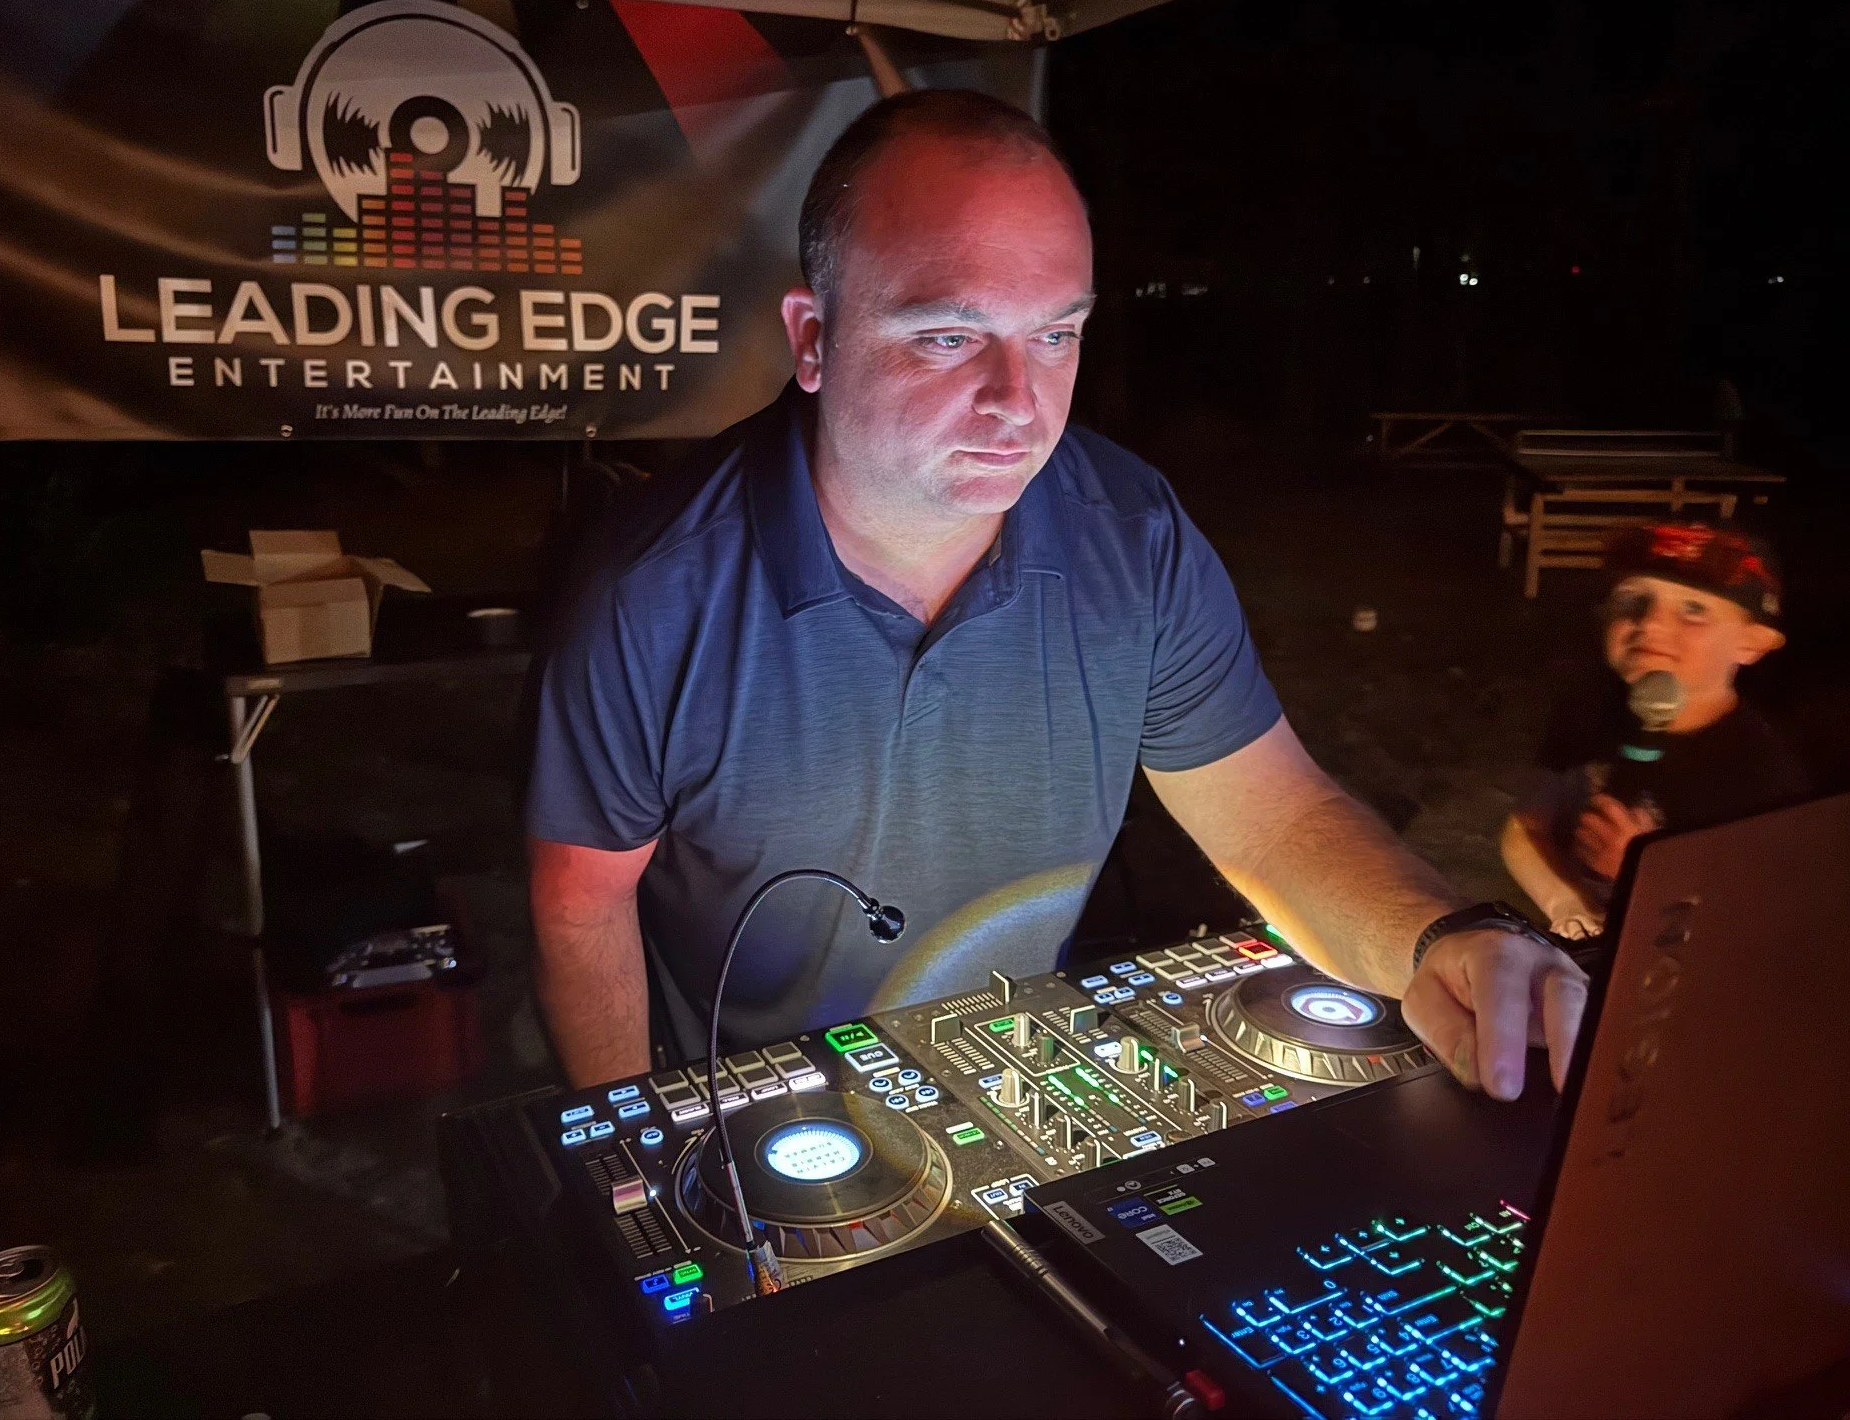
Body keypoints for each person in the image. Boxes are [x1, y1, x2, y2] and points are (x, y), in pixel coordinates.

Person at [527, 89, 1585, 1102]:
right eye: (948, 336)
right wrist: (644, 1156)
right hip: (750, 1099)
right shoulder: (651, 592)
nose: (1018, 405)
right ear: (813, 338)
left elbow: (1273, 822)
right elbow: (583, 903)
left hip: (1019, 1082)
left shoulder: (1133, 536)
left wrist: (1440, 937)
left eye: (1056, 334)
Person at [1502, 520, 1805, 938]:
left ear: (1752, 642)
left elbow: (1766, 918)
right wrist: (1568, 904)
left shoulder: (1763, 776)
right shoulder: (1590, 710)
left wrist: (1648, 870)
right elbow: (1526, 827)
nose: (1650, 624)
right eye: (1633, 599)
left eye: (1694, 609)